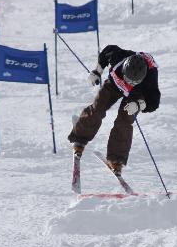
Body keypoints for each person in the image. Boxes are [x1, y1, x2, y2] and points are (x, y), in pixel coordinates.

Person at [68, 45, 160, 175]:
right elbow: (106, 52)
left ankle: (116, 159)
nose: (130, 84)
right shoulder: (118, 57)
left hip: (135, 96)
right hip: (114, 85)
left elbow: (154, 102)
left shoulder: (150, 77)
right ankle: (80, 135)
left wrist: (138, 105)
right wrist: (97, 72)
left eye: (134, 82)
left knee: (124, 122)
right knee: (98, 107)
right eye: (128, 79)